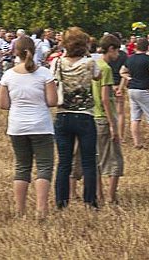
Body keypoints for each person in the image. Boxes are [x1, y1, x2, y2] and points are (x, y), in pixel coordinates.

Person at [0, 35, 57, 217]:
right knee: (44, 167)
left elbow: (3, 104)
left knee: (22, 167)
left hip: (17, 126)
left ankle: (20, 210)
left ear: (15, 52)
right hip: (41, 125)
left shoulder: (8, 75)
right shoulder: (45, 74)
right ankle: (41, 210)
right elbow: (52, 100)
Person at [52, 27, 100, 209]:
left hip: (63, 113)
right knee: (88, 161)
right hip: (85, 115)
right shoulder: (89, 63)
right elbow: (98, 76)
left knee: (64, 161)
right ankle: (90, 201)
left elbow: (54, 80)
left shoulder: (57, 62)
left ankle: (61, 201)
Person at [92, 33, 124, 205]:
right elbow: (105, 98)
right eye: (117, 51)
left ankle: (99, 195)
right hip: (105, 117)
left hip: (94, 116)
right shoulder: (106, 69)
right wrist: (113, 124)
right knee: (114, 159)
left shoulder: (94, 65)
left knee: (97, 157)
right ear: (110, 49)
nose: (118, 55)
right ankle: (111, 196)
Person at [120, 36, 149, 148]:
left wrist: (129, 78)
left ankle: (137, 143)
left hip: (132, 89)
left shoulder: (130, 58)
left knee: (135, 117)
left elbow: (122, 72)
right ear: (147, 47)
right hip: (144, 90)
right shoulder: (148, 59)